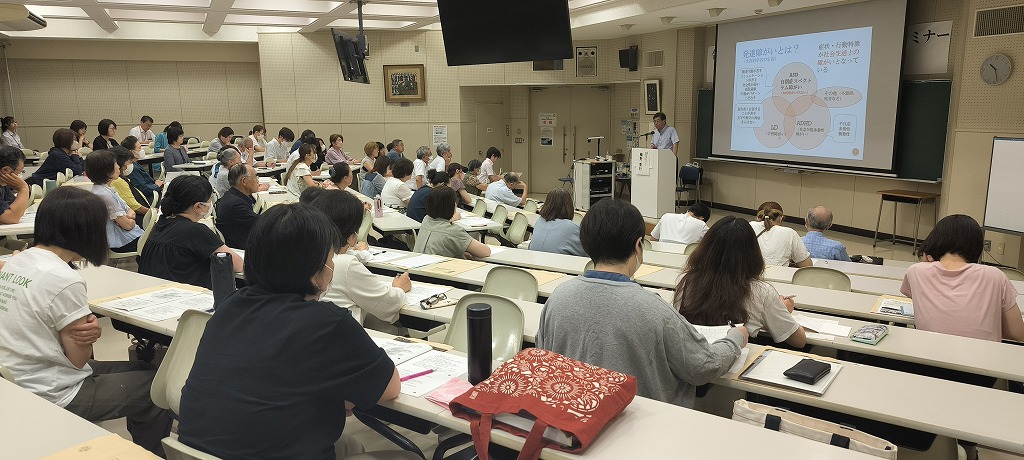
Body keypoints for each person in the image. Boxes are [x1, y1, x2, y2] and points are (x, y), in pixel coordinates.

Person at [177, 203, 408, 460]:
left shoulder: (229, 305)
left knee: (349, 446)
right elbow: (390, 388)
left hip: (194, 453)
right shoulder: (327, 322)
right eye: (331, 258)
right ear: (315, 272)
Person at [0, 186, 172, 456]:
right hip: (51, 390)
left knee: (142, 367)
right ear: (85, 230)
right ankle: (148, 453)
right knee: (158, 389)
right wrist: (89, 336)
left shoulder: (16, 261)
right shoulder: (63, 279)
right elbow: (78, 359)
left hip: (18, 375)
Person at [536, 198, 747, 408]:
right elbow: (703, 367)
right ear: (638, 246)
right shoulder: (654, 310)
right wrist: (735, 339)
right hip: (635, 427)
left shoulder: (557, 298)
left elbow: (542, 356)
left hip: (571, 419)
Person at [676, 216, 806, 348]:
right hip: (736, 362)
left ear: (706, 248)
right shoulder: (762, 291)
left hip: (691, 354)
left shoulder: (688, 281)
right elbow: (799, 341)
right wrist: (781, 308)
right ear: (753, 253)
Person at [902, 215, 1024, 343]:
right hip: (982, 360)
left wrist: (926, 260)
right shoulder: (995, 276)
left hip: (930, 358)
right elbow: (1018, 334)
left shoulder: (916, 271)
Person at [309, 190, 412, 326]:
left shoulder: (309, 255)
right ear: (351, 236)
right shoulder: (344, 265)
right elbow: (387, 304)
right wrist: (399, 288)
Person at [140, 175, 243, 288]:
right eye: (209, 201)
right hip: (190, 294)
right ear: (198, 206)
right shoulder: (195, 231)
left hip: (157, 291)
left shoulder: (161, 223)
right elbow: (237, 265)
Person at [86, 150, 143, 253]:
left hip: (123, 233)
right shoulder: (104, 195)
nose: (118, 167)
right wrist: (131, 220)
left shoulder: (106, 188)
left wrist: (128, 217)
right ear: (107, 170)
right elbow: (128, 225)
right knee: (157, 241)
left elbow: (129, 209)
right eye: (116, 164)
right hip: (120, 241)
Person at [413, 186, 491, 259]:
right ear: (452, 205)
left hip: (417, 267)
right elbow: (486, 252)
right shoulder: (453, 231)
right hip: (437, 270)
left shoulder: (426, 219)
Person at [750, 201, 812, 267]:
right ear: (781, 218)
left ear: (757, 217)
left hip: (749, 276)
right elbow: (807, 265)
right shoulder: (790, 233)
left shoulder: (749, 226)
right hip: (777, 276)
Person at [215, 164, 260, 249]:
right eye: (255, 177)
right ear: (244, 181)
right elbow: (261, 223)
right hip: (241, 246)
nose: (257, 181)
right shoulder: (236, 204)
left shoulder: (233, 195)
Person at [529, 189, 584, 256]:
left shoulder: (539, 221)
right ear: (569, 206)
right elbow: (586, 252)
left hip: (535, 264)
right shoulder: (572, 227)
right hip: (558, 265)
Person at [110, 147, 151, 227]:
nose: (130, 165)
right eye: (129, 162)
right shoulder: (118, 181)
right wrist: (152, 212)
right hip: (140, 220)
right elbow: (135, 206)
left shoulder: (121, 178)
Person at [0, 146, 30, 224]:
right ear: (6, 170)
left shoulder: (3, 185)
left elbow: (19, 210)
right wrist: (23, 188)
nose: (20, 174)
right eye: (20, 171)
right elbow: (12, 218)